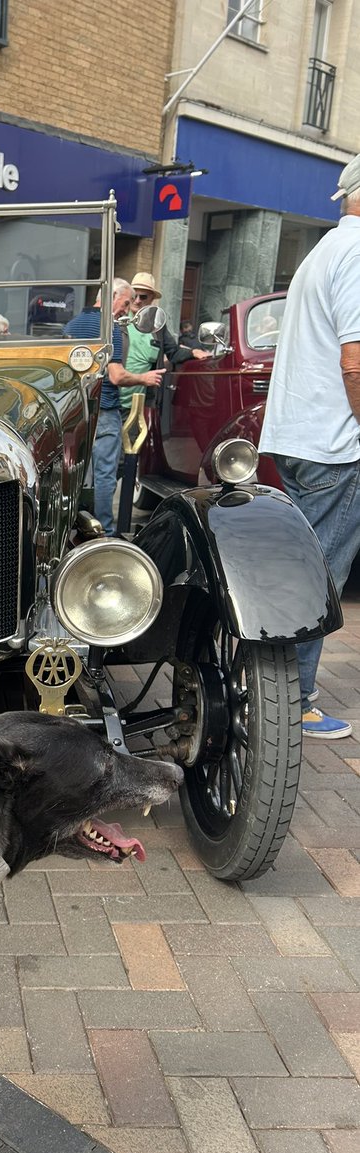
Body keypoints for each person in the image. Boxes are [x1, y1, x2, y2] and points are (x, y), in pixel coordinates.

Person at [257, 150, 360, 740]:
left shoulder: (322, 251)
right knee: (321, 576)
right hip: (333, 440)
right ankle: (293, 699)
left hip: (298, 434)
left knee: (302, 565)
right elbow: (355, 361)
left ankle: (283, 687)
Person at [64, 278, 166, 534]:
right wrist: (145, 378)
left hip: (72, 413)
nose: (126, 309)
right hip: (104, 410)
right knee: (105, 476)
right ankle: (105, 534)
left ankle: (75, 529)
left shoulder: (71, 325)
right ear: (113, 296)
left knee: (76, 477)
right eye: (126, 302)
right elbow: (116, 376)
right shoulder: (110, 328)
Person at [119, 272, 210, 412]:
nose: (137, 300)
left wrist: (194, 352)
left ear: (151, 299)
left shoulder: (157, 325)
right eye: (134, 296)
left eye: (143, 297)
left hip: (143, 403)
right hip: (113, 400)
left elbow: (173, 351)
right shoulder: (119, 319)